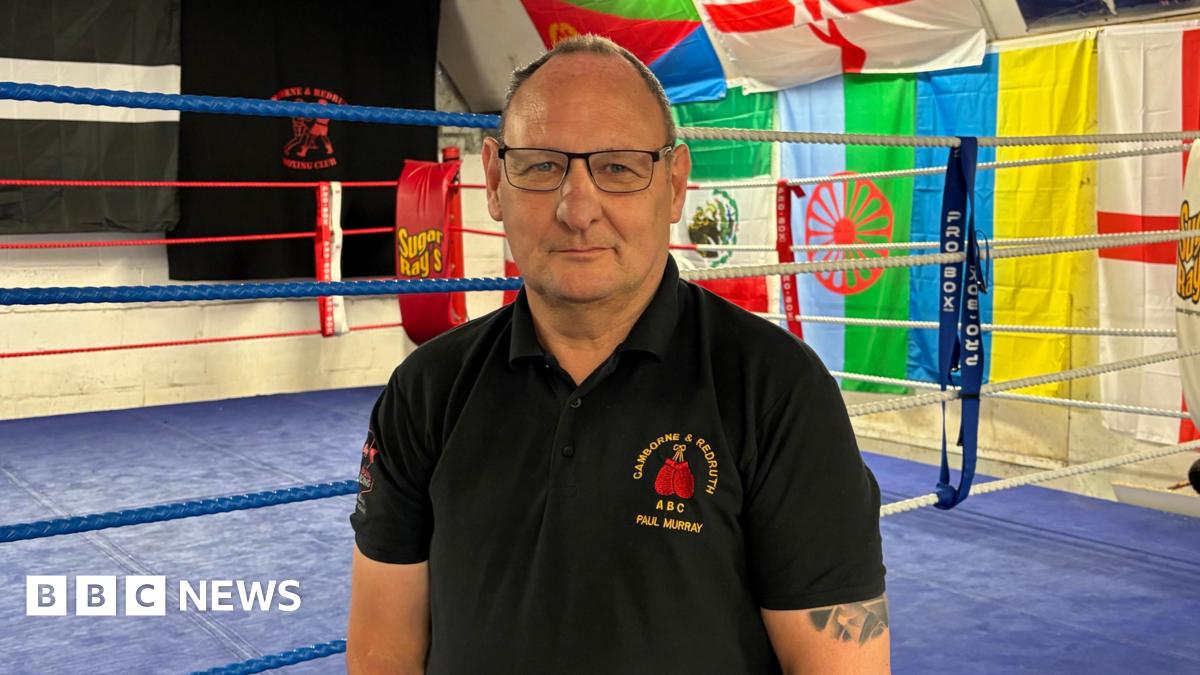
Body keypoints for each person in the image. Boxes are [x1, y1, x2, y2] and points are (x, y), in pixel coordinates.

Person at [347, 35, 888, 674]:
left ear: (676, 182)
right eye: (543, 165)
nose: (578, 209)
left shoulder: (776, 388)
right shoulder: (426, 389)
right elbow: (385, 646)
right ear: (494, 180)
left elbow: (839, 664)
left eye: (619, 167)